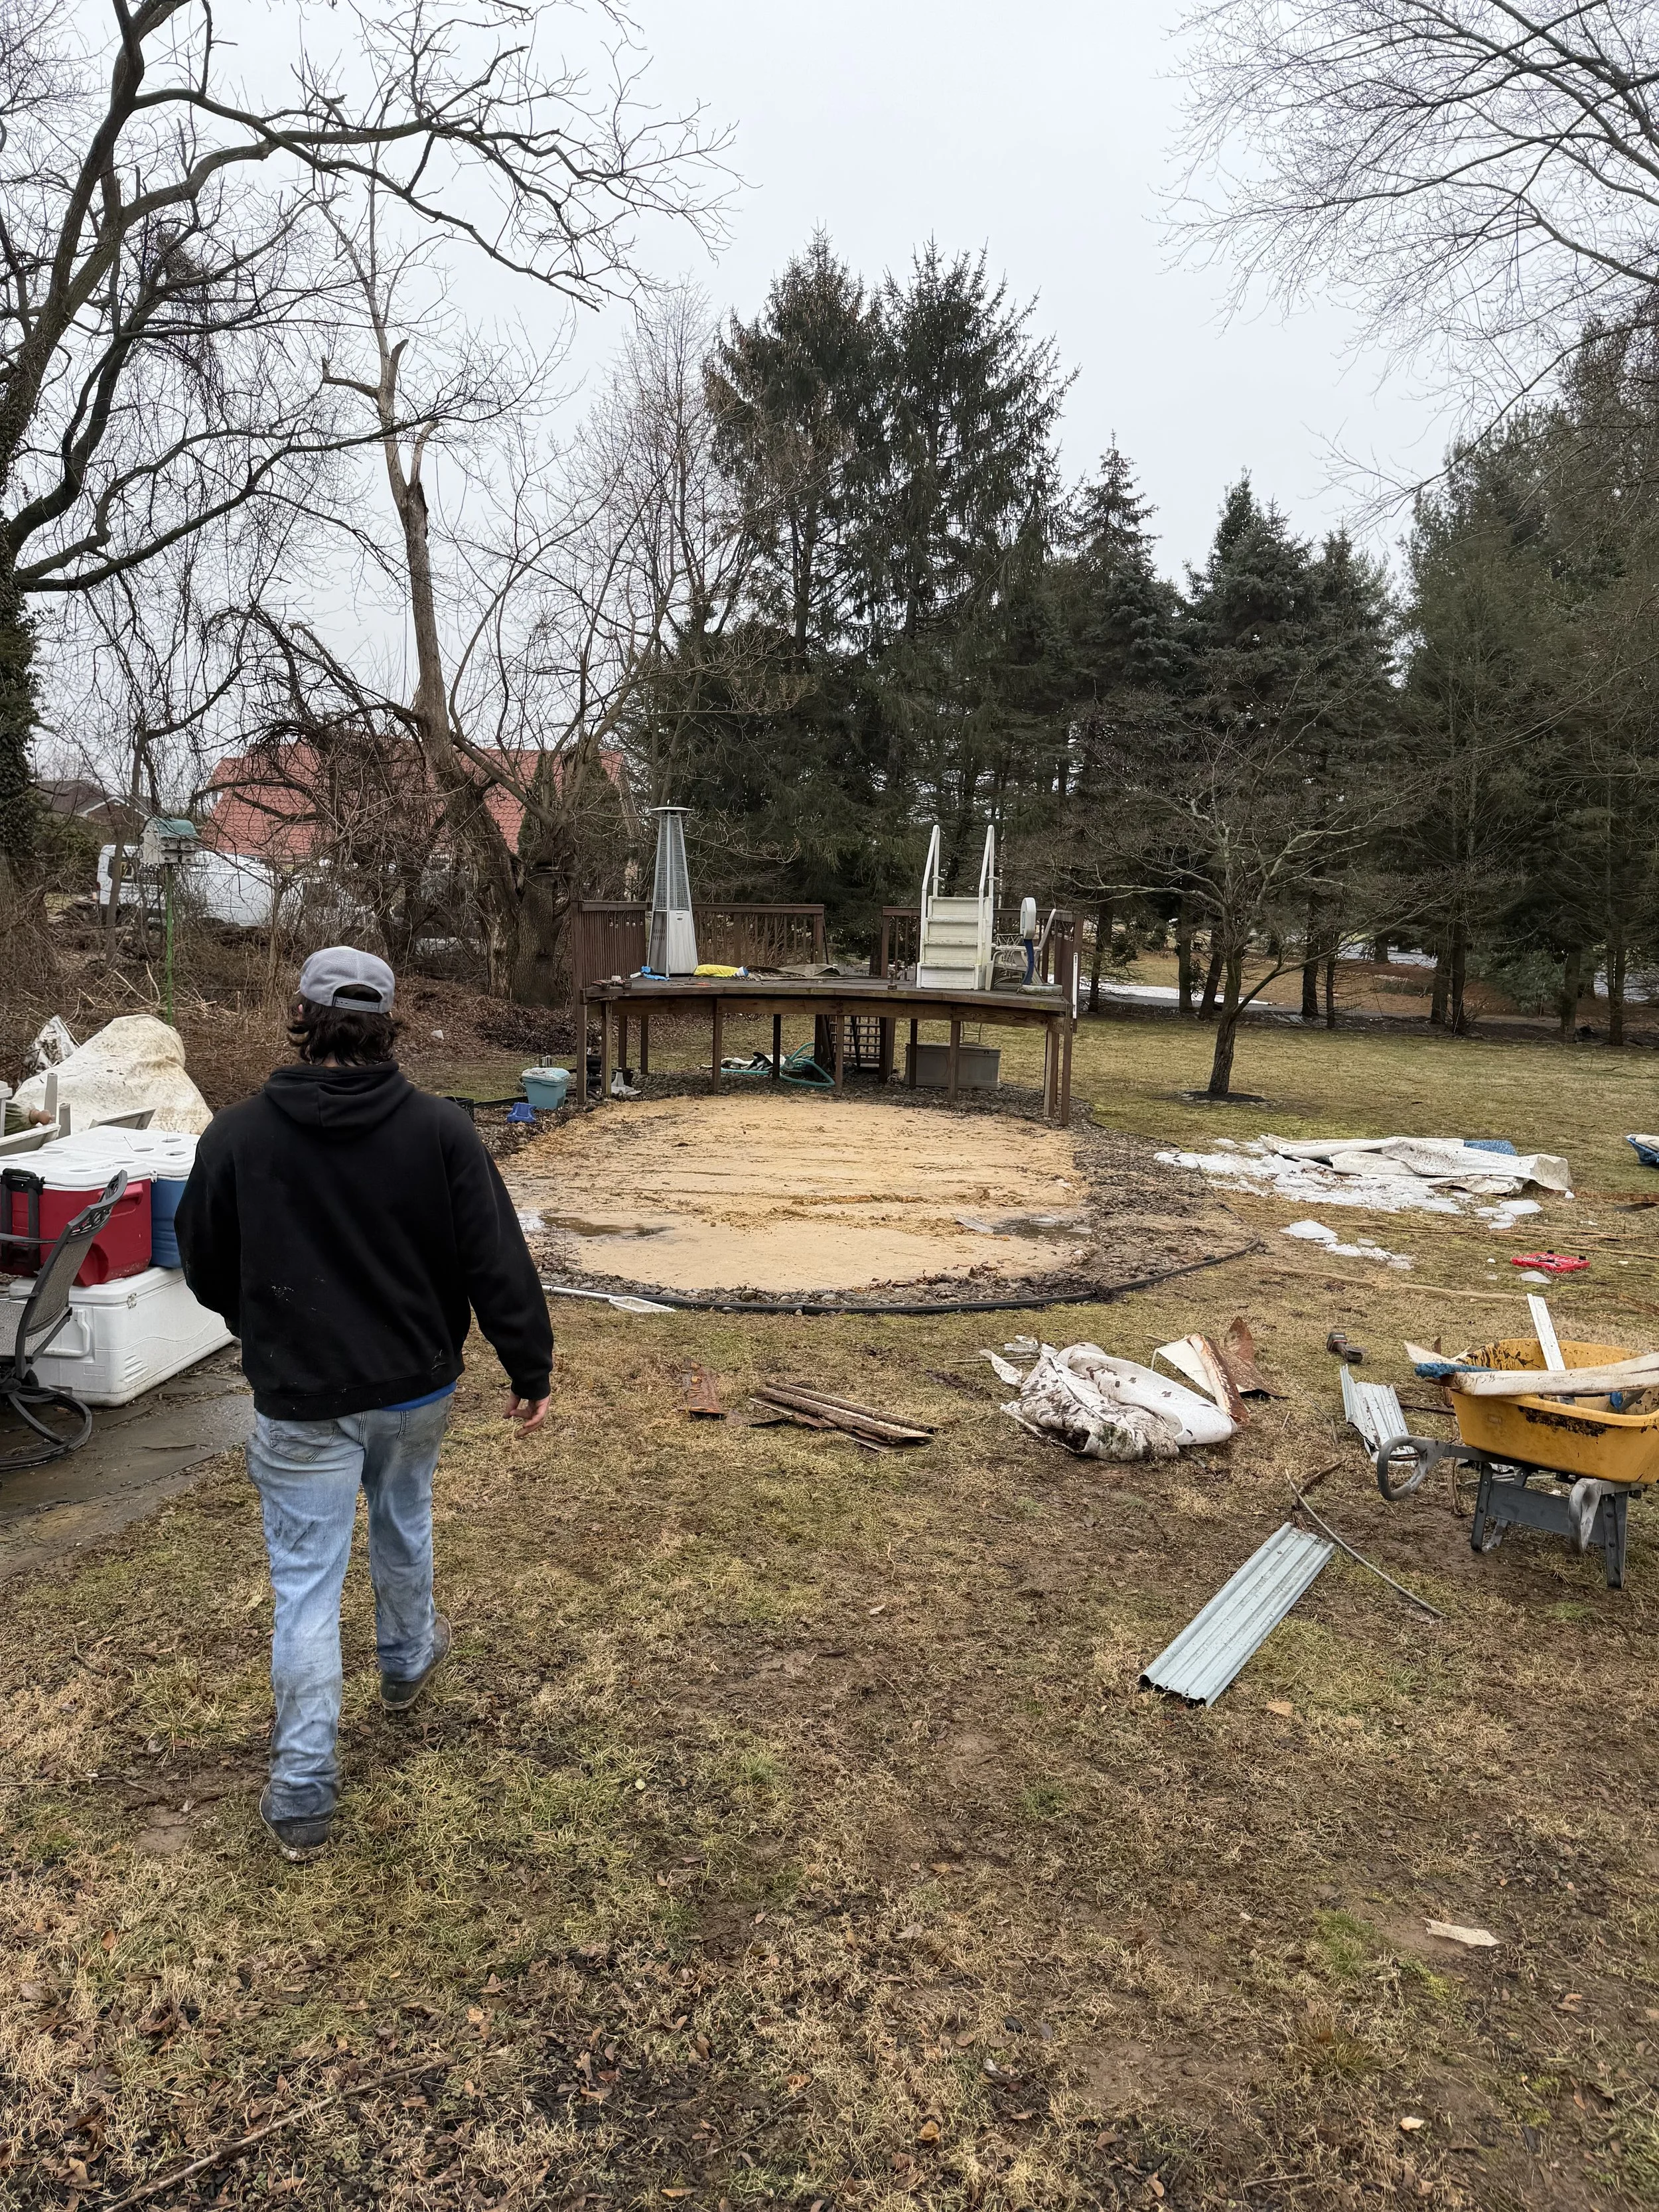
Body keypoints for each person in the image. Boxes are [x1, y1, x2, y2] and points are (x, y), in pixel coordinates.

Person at [176, 946, 553, 1862]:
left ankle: (303, 1793)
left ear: (301, 1018)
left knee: (305, 1588)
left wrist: (261, 1328)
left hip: (301, 1395)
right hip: (416, 1384)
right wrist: (527, 1365)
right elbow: (494, 1259)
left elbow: (203, 1263)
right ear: (390, 1026)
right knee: (404, 1513)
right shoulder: (441, 1131)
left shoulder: (236, 1137)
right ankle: (408, 1658)